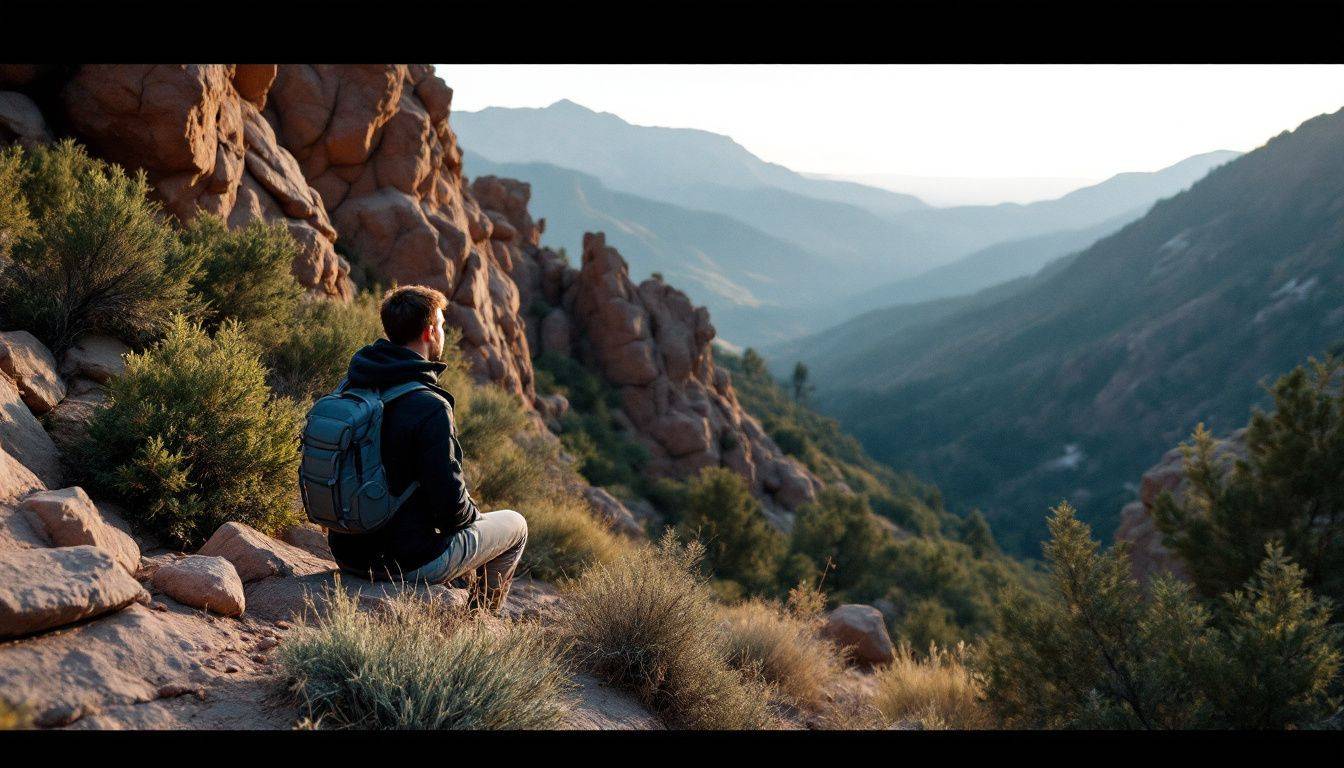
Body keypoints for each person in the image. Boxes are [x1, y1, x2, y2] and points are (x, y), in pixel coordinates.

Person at [327, 285, 527, 612]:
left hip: (347, 552)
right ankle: (482, 620)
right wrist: (473, 516)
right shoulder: (429, 405)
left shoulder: (354, 384)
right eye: (443, 326)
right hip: (406, 563)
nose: (443, 333)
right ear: (430, 330)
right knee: (516, 526)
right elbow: (451, 510)